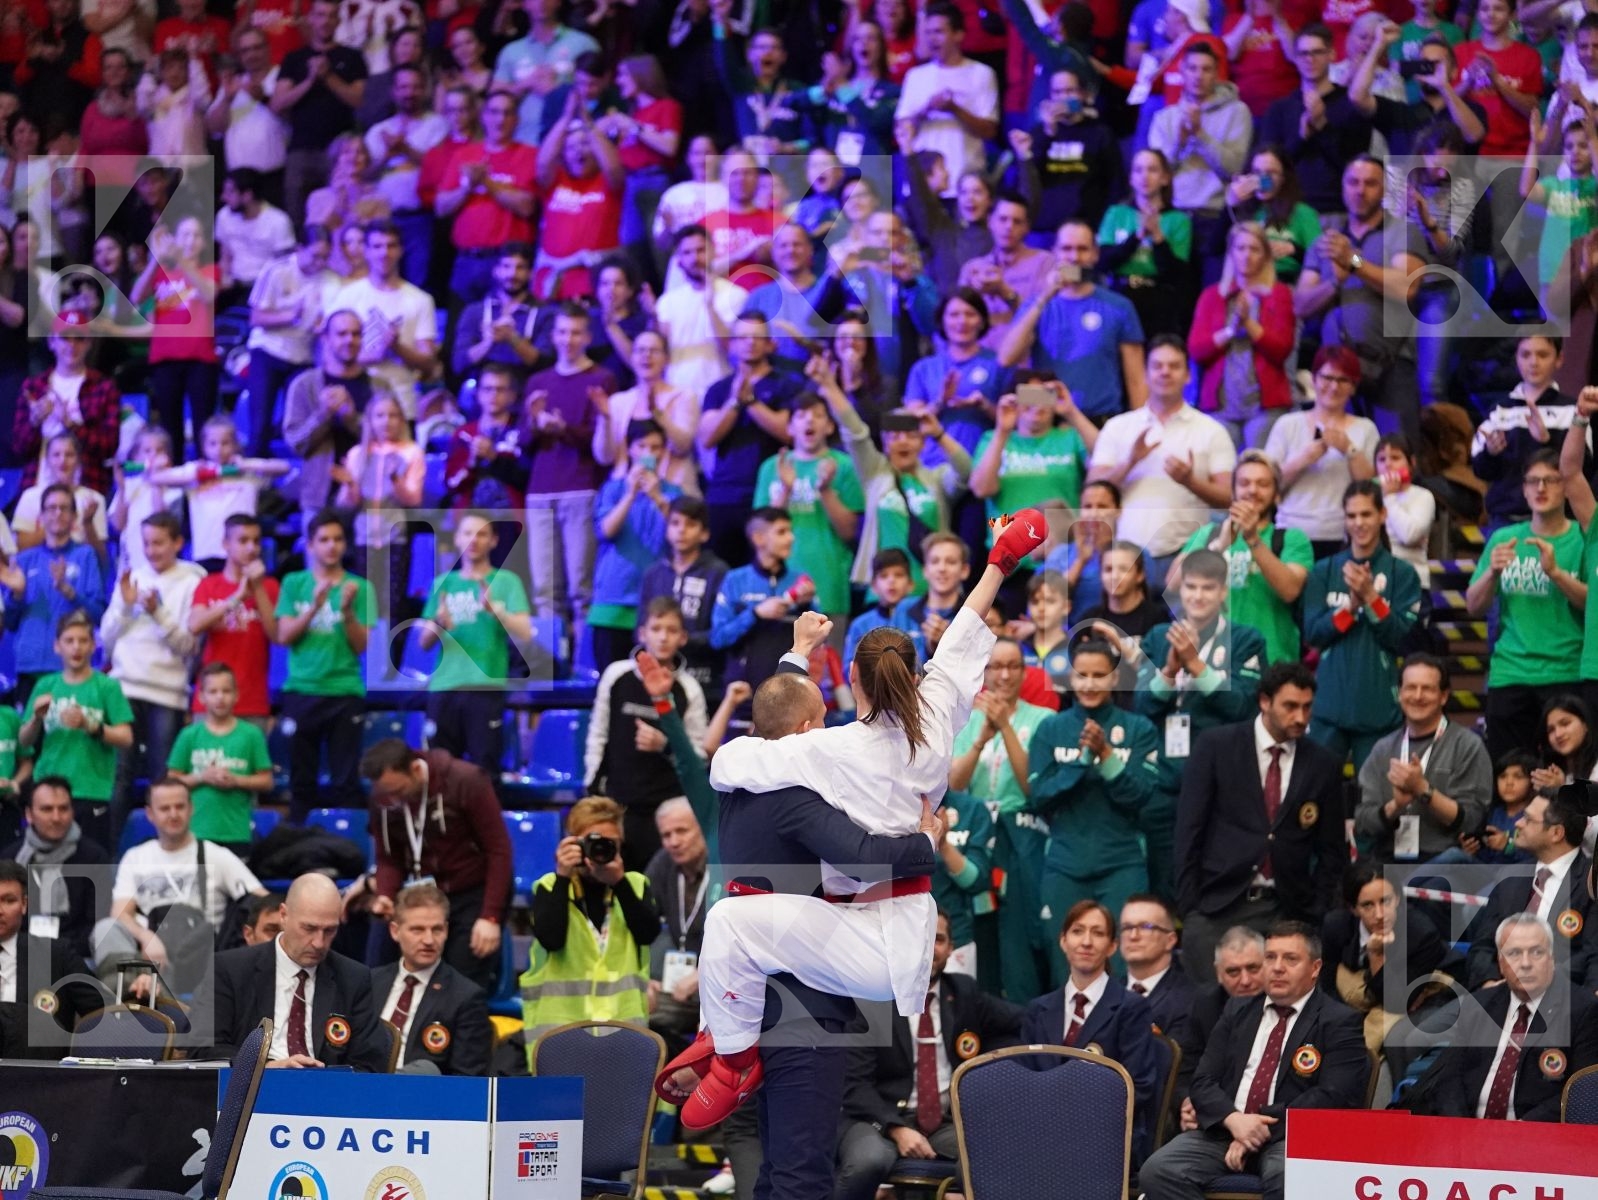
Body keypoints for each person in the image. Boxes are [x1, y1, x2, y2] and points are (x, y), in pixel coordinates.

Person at [685, 516, 1045, 1121]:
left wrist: (797, 657)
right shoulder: (935, 716)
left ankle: (733, 1060)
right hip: (905, 930)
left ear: (852, 680)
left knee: (729, 922)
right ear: (912, 674)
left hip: (862, 939)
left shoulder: (836, 748)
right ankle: (722, 1032)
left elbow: (732, 762)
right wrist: (1001, 560)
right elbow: (965, 628)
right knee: (741, 924)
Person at [1139, 922, 1368, 1200]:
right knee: (1159, 1170)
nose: (1277, 967)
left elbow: (1333, 1097)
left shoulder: (1339, 1020)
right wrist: (1234, 1120)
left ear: (1315, 968)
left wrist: (1257, 1129)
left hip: (1292, 1137)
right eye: (1270, 957)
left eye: (1290, 959)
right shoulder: (1238, 1010)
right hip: (1227, 1130)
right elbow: (1203, 1080)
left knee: (1288, 1175)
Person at [834, 910, 1023, 1200]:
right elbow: (855, 1087)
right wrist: (897, 1129)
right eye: (918, 938)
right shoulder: (873, 997)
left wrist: (992, 1060)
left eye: (937, 939)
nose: (926, 948)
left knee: (993, 1159)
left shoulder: (962, 992)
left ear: (950, 948)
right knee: (868, 1161)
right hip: (880, 1119)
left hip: (945, 1123)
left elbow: (1021, 1022)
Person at [1175, 662, 1345, 984]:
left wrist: (1317, 907)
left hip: (1289, 908)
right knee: (1211, 1012)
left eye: (1307, 707)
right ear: (1265, 702)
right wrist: (1191, 908)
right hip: (1218, 905)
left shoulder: (1323, 763)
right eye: (1290, 706)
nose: (1300, 717)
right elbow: (1188, 831)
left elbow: (1332, 849)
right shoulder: (1216, 746)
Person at [1133, 549, 1268, 899]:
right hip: (1165, 776)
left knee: (1211, 871)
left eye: (1207, 588)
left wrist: (1196, 666)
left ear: (1223, 592)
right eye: (1190, 587)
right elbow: (1142, 704)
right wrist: (1169, 671)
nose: (1197, 596)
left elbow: (1243, 706)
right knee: (1163, 876)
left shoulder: (1245, 639)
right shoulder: (1158, 637)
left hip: (1221, 779)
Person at [1027, 634, 1160, 985]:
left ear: (1115, 678)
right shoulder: (1051, 728)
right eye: (1082, 675)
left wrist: (1106, 757)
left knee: (1119, 969)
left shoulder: (1139, 728)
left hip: (1121, 864)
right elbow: (1038, 796)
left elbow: (1142, 795)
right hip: (1064, 866)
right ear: (1070, 678)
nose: (1089, 683)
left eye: (1099, 675)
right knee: (1063, 969)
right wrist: (1082, 761)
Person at [360, 739, 513, 993]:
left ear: (416, 770)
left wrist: (491, 916)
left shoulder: (467, 781)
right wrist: (386, 894)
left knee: (461, 988)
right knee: (377, 971)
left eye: (399, 791)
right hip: (422, 895)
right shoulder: (383, 796)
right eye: (386, 793)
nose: (393, 800)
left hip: (470, 892)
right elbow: (389, 857)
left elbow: (499, 851)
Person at [94, 777, 266, 999]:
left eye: (180, 806)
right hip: (146, 952)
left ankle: (143, 995)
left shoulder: (216, 855)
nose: (173, 814)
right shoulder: (136, 857)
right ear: (150, 813)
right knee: (105, 929)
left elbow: (263, 899)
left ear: (191, 808)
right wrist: (148, 938)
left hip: (196, 957)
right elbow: (119, 914)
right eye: (165, 808)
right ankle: (142, 987)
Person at [1466, 451, 1588, 763]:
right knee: (1508, 778)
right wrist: (1492, 573)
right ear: (1523, 489)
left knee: (1567, 781)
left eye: (1551, 480)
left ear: (1566, 486)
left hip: (1565, 673)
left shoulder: (1584, 538)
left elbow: (1593, 603)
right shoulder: (1503, 539)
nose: (1541, 488)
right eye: (1533, 481)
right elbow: (1473, 607)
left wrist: (1556, 574)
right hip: (1510, 675)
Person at [198, 872, 390, 1069]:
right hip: (252, 1090)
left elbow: (369, 1061)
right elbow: (204, 1048)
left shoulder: (353, 978)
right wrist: (265, 1067)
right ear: (284, 915)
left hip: (324, 1092)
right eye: (309, 928)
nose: (319, 942)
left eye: (329, 930)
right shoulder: (230, 970)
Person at [1086, 335, 1237, 583]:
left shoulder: (1212, 430)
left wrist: (1190, 481)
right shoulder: (1118, 427)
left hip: (1186, 554)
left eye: (1174, 366)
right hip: (1124, 555)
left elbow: (1230, 499)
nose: (1165, 372)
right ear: (1146, 374)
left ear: (1188, 375)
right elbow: (1092, 491)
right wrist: (1130, 461)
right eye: (1157, 366)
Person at [950, 637, 1053, 996]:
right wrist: (982, 738)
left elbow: (1033, 788)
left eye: (1013, 666)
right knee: (979, 921)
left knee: (1017, 930)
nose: (1004, 675)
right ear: (983, 672)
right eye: (995, 666)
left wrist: (1006, 728)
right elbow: (954, 785)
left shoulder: (1043, 720)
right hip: (976, 830)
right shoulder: (963, 721)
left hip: (1021, 833)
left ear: (1025, 673)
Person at [1423, 913, 1598, 1122]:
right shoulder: (1478, 1006)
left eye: (1536, 952)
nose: (1525, 963)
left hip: (1536, 1138)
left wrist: (1518, 1133)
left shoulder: (1583, 1010)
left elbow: (1583, 1093)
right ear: (1500, 963)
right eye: (1514, 953)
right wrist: (1463, 1128)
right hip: (1469, 1133)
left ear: (1551, 958)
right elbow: (1449, 1078)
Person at [1021, 900, 1160, 1161]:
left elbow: (1139, 1087)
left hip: (1106, 1135)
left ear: (1112, 946)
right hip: (1041, 1132)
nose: (1086, 942)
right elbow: (1023, 1080)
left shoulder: (1131, 1007)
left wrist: (1071, 1119)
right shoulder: (1038, 1010)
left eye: (1097, 933)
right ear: (1063, 941)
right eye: (1077, 931)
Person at [101, 511, 205, 848]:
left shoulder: (193, 581)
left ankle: (168, 851)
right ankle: (110, 854)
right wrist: (127, 607)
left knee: (164, 781)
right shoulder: (132, 577)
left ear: (178, 543)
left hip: (167, 693)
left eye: (159, 542)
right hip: (125, 687)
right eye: (146, 543)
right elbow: (106, 639)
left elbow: (189, 646)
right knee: (118, 778)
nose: (152, 550)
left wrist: (157, 612)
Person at [1301, 481, 1422, 769]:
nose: (1359, 523)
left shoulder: (1403, 574)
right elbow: (1314, 634)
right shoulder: (1324, 570)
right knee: (1315, 795)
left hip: (1379, 708)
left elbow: (1401, 638)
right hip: (1328, 708)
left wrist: (1370, 598)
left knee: (1376, 800)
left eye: (1366, 514)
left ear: (1382, 515)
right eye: (1352, 516)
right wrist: (1351, 607)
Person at [522, 795, 660, 1046]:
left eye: (609, 843)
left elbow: (647, 933)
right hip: (560, 1034)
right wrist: (563, 876)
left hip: (623, 1032)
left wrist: (619, 883)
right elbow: (551, 939)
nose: (599, 851)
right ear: (573, 843)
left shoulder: (635, 885)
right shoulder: (550, 887)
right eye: (591, 842)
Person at [586, 598, 709, 868]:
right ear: (642, 633)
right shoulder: (616, 675)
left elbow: (698, 756)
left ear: (683, 637)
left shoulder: (689, 689)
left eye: (671, 630)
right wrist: (593, 789)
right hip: (616, 803)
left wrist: (665, 744)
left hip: (664, 809)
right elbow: (598, 734)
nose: (663, 637)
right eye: (656, 629)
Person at [274, 510, 375, 821]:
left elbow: (362, 646)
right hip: (302, 691)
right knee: (300, 783)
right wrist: (315, 606)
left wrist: (346, 612)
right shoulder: (294, 583)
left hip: (344, 692)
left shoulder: (360, 588)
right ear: (310, 545)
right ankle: (300, 851)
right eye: (324, 540)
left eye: (338, 539)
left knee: (346, 782)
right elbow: (284, 636)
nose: (332, 546)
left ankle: (346, 847)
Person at [999, 221, 1149, 421]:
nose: (1074, 257)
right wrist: (1044, 297)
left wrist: (1140, 426)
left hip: (1101, 419)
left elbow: (1136, 380)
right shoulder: (1036, 305)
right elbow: (1006, 358)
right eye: (1066, 249)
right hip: (1049, 421)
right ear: (1055, 253)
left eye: (1082, 249)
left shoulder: (1119, 306)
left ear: (1095, 254)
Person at [417, 513, 532, 771]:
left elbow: (525, 632)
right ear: (457, 539)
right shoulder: (441, 584)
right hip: (444, 687)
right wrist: (438, 621)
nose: (474, 540)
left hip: (485, 687)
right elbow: (423, 643)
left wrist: (496, 611)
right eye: (467, 533)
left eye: (481, 534)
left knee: (485, 770)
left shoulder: (507, 582)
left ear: (493, 541)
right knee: (439, 771)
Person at [1353, 655, 1492, 865]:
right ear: (1399, 693)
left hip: (1443, 861)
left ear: (1444, 696)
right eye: (1410, 688)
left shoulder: (1467, 745)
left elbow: (1472, 821)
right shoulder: (1383, 749)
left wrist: (1423, 790)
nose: (1417, 696)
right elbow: (1362, 823)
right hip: (1388, 861)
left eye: (1427, 688)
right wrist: (1395, 806)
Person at [1175, 451, 1311, 665]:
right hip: (1210, 660)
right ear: (1233, 491)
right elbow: (1173, 584)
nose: (1252, 490)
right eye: (1244, 483)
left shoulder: (1291, 538)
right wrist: (1218, 546)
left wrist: (1253, 539)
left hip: (1271, 660)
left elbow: (1290, 590)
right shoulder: (1208, 534)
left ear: (1277, 494)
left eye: (1263, 484)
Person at [17, 611, 133, 852]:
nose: (76, 647)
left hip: (91, 789)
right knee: (44, 871)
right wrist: (36, 720)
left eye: (82, 640)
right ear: (57, 646)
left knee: (91, 871)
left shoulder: (107, 686)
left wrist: (90, 725)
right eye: (69, 641)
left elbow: (126, 737)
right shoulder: (45, 685)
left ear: (93, 645)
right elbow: (23, 740)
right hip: (48, 790)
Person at [1320, 862, 1459, 1059]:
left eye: (1385, 901)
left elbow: (1397, 1001)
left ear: (1398, 899)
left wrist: (1377, 956)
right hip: (1366, 991)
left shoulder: (1421, 933)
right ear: (1353, 909)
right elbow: (1327, 984)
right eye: (1367, 905)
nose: (1379, 915)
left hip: (1427, 996)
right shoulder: (1336, 925)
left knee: (1395, 1040)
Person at [1462, 788, 1597, 991]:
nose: (1517, 823)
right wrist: (1489, 983)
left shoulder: (1590, 883)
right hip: (1497, 994)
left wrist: (1534, 982)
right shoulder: (1510, 877)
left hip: (1560, 999)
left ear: (1556, 833)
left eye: (1527, 819)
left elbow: (1591, 955)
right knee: (1425, 1023)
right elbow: (1483, 945)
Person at [1263, 346, 1379, 559]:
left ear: (1353, 387)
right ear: (1314, 380)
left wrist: (1350, 450)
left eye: (1343, 380)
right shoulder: (1288, 424)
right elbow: (1267, 485)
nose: (1334, 387)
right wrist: (1303, 459)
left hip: (1343, 534)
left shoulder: (1365, 429)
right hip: (1291, 530)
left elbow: (1371, 489)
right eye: (1327, 378)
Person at [1188, 222, 1296, 449]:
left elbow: (1282, 349)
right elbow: (1197, 350)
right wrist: (1231, 330)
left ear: (1265, 255)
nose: (1247, 255)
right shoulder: (1213, 295)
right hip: (1220, 405)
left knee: (1258, 472)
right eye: (1241, 248)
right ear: (1231, 253)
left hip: (1264, 407)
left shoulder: (1279, 294)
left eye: (1254, 249)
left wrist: (1248, 323)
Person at [373, 882, 492, 1075]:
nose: (429, 940)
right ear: (395, 931)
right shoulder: (370, 983)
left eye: (436, 929)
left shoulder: (466, 997)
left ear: (446, 930)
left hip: (422, 1099)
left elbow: (467, 1079)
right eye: (417, 930)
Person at [1, 486, 108, 701]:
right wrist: (18, 594)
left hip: (71, 668)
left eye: (64, 508)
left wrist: (69, 592)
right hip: (29, 667)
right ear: (41, 517)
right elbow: (10, 623)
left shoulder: (85, 555)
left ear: (74, 517)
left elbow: (98, 615)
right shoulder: (24, 560)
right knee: (28, 734)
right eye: (51, 508)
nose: (57, 513)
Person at [328, 221, 440, 418]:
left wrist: (397, 348)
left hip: (402, 405)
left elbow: (428, 363)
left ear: (401, 250)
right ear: (367, 251)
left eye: (391, 246)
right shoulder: (347, 296)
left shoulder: (421, 300)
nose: (384, 253)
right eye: (377, 246)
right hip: (354, 404)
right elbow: (328, 353)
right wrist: (377, 353)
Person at [272, 0, 368, 221]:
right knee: (296, 216)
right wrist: (309, 80)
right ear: (311, 19)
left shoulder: (352, 57)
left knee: (339, 216)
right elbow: (277, 104)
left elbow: (359, 100)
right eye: (320, 15)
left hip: (340, 153)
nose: (325, 21)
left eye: (331, 16)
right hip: (300, 149)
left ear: (338, 21)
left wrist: (328, 76)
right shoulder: (294, 58)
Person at [0, 858, 103, 1061]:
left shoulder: (56, 954)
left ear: (24, 904)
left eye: (9, 900)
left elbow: (104, 1011)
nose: (0, 910)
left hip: (39, 1078)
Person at [1, 778, 109, 964]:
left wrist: (58, 951)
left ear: (72, 812)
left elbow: (97, 923)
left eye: (63, 809)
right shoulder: (11, 858)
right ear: (29, 814)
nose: (56, 817)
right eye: (47, 809)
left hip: (77, 956)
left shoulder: (94, 857)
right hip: (20, 953)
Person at [167, 663, 273, 851]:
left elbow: (266, 781)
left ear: (236, 695)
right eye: (213, 691)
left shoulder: (251, 735)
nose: (220, 697)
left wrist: (236, 780)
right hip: (196, 832)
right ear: (201, 697)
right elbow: (171, 781)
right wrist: (202, 777)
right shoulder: (189, 735)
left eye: (226, 691)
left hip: (237, 832)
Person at [894, 2, 999, 192]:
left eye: (939, 32)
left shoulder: (981, 73)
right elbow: (902, 129)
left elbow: (989, 130)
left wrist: (954, 109)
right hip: (922, 185)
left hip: (965, 183)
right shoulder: (915, 76)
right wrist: (927, 109)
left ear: (958, 35)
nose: (932, 39)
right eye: (928, 32)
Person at [188, 515, 280, 726]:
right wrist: (237, 596)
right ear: (225, 544)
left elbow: (276, 635)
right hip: (209, 701)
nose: (251, 548)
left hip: (253, 702)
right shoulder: (208, 584)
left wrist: (257, 588)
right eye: (243, 540)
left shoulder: (270, 587)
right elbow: (195, 624)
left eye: (256, 541)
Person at [283, 311, 373, 521]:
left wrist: (352, 419)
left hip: (368, 499)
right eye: (341, 334)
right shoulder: (304, 385)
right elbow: (295, 443)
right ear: (325, 338)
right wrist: (322, 415)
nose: (350, 340)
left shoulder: (379, 387)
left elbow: (390, 444)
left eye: (356, 334)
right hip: (318, 499)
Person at [1175, 927, 1267, 1116]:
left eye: (1253, 968)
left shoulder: (1287, 1002)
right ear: (1218, 974)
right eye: (1233, 972)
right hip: (1214, 1117)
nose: (1245, 980)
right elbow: (1184, 1073)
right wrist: (1187, 1104)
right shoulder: (1205, 1004)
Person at [645, 798, 711, 1056]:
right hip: (678, 988)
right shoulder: (664, 863)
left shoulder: (726, 862)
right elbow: (637, 921)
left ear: (703, 828)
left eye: (682, 831)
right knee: (630, 1009)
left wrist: (704, 973)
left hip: (726, 983)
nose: (673, 841)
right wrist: (640, 977)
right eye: (666, 835)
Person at [1121, 894, 1196, 1039]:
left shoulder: (1191, 1000)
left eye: (1145, 927)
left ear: (1170, 940)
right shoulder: (1105, 994)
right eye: (1127, 927)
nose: (1133, 935)